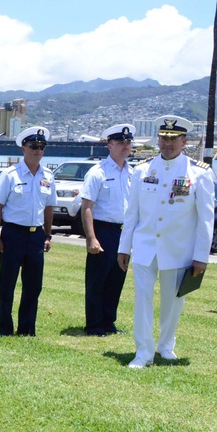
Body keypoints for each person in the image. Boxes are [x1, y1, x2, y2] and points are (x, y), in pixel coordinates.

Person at [117, 115, 215, 369]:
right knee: (142, 300)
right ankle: (143, 352)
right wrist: (123, 247)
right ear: (158, 139)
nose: (167, 144)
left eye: (173, 139)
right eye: (163, 138)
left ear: (184, 141)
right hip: (145, 247)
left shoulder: (199, 173)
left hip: (178, 249)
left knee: (173, 302)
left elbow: (206, 218)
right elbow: (132, 214)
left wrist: (201, 256)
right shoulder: (142, 170)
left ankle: (166, 345)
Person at [0, 126, 57, 336]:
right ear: (23, 149)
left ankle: (27, 328)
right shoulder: (10, 175)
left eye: (42, 147)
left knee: (34, 285)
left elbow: (48, 208)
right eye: (34, 146)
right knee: (7, 284)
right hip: (13, 234)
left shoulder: (48, 176)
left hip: (36, 235)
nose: (38, 151)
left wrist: (47, 235)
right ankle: (5, 328)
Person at [81, 124, 133, 336]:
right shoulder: (98, 172)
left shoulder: (133, 172)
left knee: (116, 279)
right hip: (103, 230)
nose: (125, 146)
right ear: (109, 145)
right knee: (97, 280)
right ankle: (94, 325)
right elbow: (87, 207)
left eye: (128, 142)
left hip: (124, 232)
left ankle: (108, 322)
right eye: (120, 142)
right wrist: (91, 238)